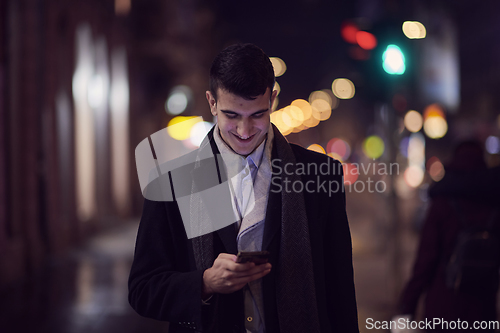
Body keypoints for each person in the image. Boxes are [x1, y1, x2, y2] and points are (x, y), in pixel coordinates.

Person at [128, 43, 359, 333]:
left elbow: (340, 292)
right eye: (232, 116)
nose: (245, 131)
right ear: (212, 103)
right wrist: (204, 283)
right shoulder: (171, 183)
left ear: (273, 100)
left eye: (257, 115)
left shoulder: (322, 175)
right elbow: (142, 290)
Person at [395, 141, 500, 332]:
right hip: (482, 308)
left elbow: (425, 261)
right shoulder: (493, 202)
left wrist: (407, 306)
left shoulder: (443, 203)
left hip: (443, 305)